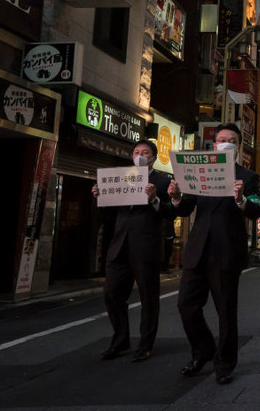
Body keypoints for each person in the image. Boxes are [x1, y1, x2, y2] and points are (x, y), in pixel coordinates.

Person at [170, 123, 260, 385]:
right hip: (197, 250)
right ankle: (203, 350)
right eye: (222, 139)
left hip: (227, 251)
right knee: (186, 305)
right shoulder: (199, 172)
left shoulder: (247, 176)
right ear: (213, 146)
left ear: (238, 147)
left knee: (226, 312)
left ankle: (225, 364)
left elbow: (256, 210)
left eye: (232, 140)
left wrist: (241, 199)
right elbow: (185, 208)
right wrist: (176, 197)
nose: (226, 143)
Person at [91, 140, 172, 363]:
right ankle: (120, 341)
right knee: (112, 293)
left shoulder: (162, 181)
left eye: (145, 152)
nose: (140, 155)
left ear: (153, 158)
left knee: (148, 297)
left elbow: (170, 213)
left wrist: (154, 198)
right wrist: (100, 197)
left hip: (146, 248)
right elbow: (108, 216)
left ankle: (145, 344)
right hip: (119, 247)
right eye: (136, 152)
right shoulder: (122, 177)